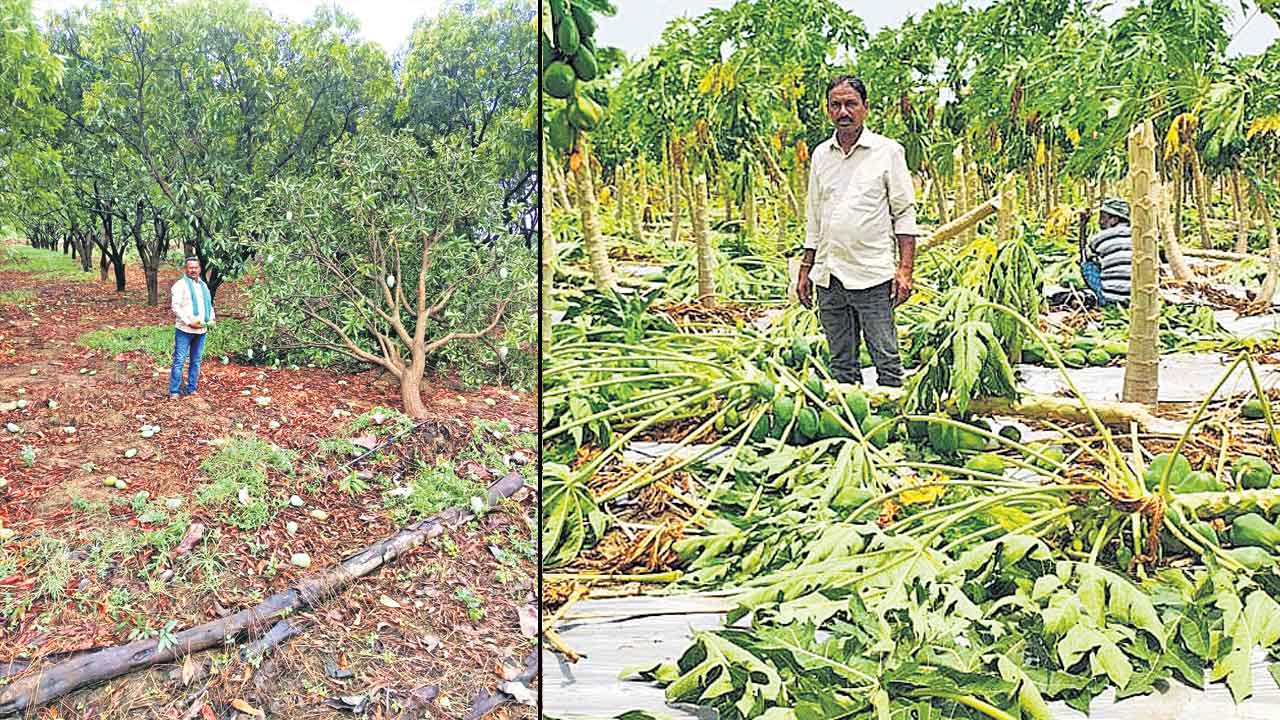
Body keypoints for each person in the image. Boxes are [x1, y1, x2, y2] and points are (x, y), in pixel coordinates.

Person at [796, 75, 918, 387]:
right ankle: (849, 425)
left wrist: (905, 270)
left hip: (871, 275)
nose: (843, 111)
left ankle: (892, 420)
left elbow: (903, 213)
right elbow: (815, 217)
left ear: (865, 108)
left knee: (886, 358)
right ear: (828, 110)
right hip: (829, 274)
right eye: (836, 105)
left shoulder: (887, 152)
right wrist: (805, 269)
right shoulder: (822, 155)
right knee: (841, 362)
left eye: (850, 103)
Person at [169, 256, 215, 399]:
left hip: (201, 330)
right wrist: (189, 322)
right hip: (185, 330)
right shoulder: (179, 286)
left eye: (196, 267)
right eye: (190, 267)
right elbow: (175, 307)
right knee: (179, 360)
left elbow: (209, 304)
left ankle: (191, 388)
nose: (193, 270)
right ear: (186, 269)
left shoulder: (203, 285)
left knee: (196, 360)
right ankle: (174, 391)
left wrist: (212, 318)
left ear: (200, 269)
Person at [1078, 198, 1132, 306]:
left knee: (1087, 266)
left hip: (1110, 299)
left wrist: (1083, 225)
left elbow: (1084, 257)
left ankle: (1103, 299)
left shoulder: (1101, 237)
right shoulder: (1139, 236)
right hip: (1138, 298)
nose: (1100, 222)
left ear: (1114, 220)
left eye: (1103, 217)